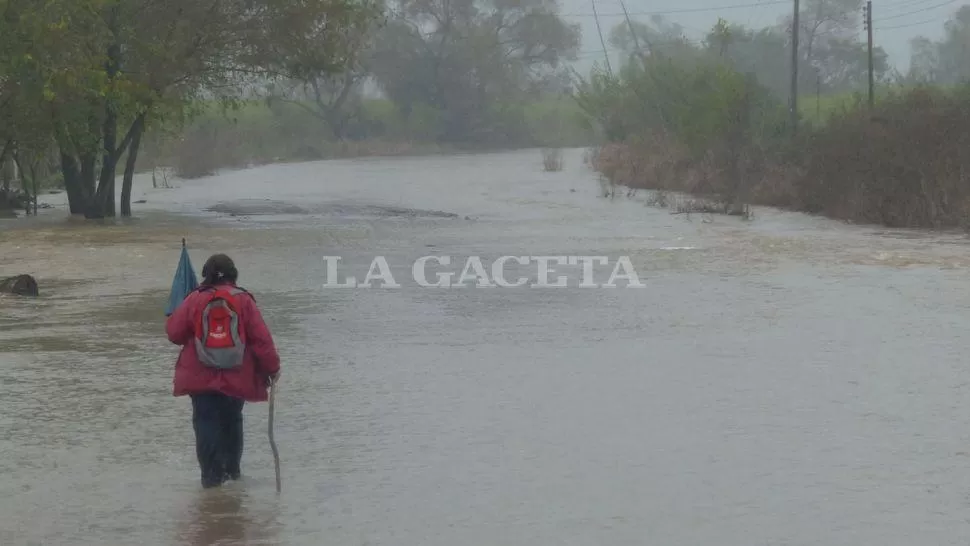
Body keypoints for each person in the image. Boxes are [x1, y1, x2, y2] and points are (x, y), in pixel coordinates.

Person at [166, 253, 281, 488]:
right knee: (232, 421)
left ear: (205, 275)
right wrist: (273, 369)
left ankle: (210, 482)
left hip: (200, 379)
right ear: (233, 275)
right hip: (236, 378)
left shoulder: (194, 299)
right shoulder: (244, 300)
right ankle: (232, 476)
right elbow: (262, 340)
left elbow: (174, 334)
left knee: (205, 422)